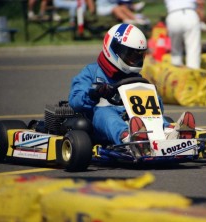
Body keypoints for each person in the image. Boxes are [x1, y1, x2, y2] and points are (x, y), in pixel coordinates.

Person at [68, 23, 196, 148]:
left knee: (154, 116)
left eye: (139, 56)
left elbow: (157, 109)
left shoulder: (135, 78)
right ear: (113, 49)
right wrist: (95, 93)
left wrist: (153, 96)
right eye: (130, 55)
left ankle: (171, 133)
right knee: (104, 113)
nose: (135, 61)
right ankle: (129, 137)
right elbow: (75, 101)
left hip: (134, 120)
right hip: (99, 124)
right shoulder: (91, 72)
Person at [164, 0, 201, 69]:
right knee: (193, 48)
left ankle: (176, 73)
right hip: (190, 13)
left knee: (175, 50)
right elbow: (200, 2)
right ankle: (193, 73)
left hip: (173, 14)